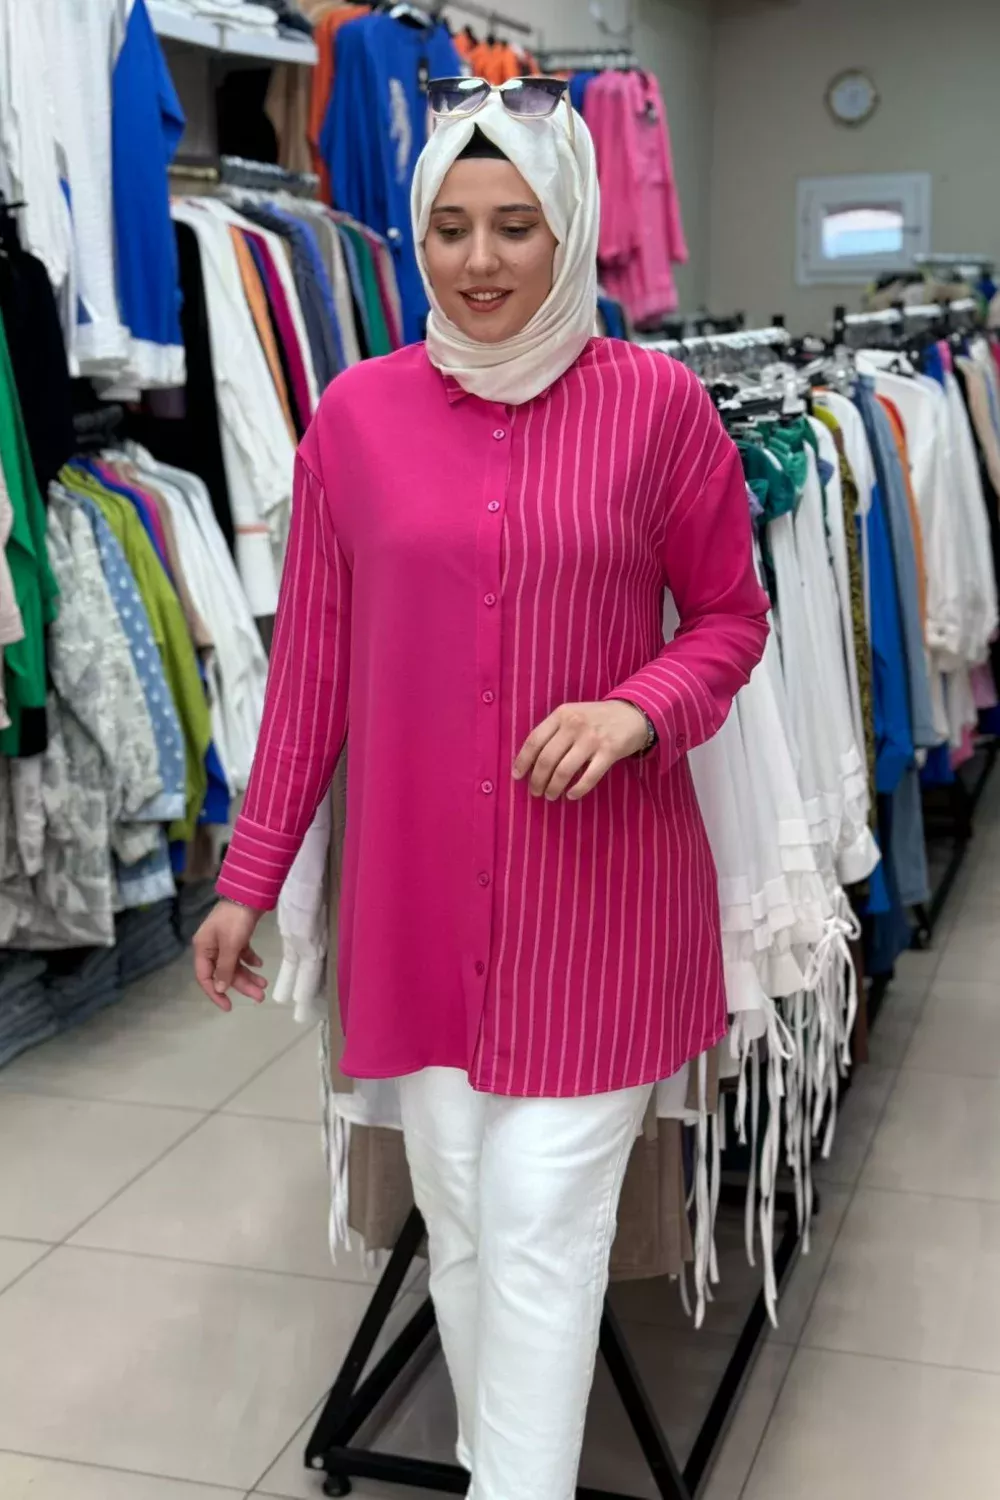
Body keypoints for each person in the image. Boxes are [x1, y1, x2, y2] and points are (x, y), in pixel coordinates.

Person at [194, 79, 770, 1500]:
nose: (482, 259)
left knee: (539, 1237)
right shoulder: (356, 418)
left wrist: (638, 708)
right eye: (450, 227)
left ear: (570, 226)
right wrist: (248, 879)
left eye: (517, 224)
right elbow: (312, 671)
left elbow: (729, 619)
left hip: (600, 910)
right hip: (414, 913)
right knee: (458, 1227)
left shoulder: (659, 408)